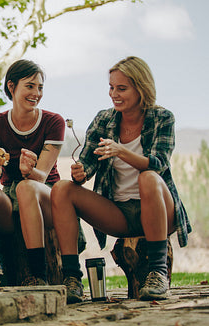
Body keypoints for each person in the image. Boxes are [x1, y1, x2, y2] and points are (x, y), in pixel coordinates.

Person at [51, 56, 191, 303]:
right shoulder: (104, 120)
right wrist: (81, 172)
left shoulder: (162, 118)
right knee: (62, 189)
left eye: (122, 88)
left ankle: (157, 273)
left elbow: (158, 163)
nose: (114, 94)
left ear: (141, 88)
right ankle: (72, 278)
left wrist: (121, 151)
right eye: (111, 87)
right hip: (119, 214)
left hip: (160, 212)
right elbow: (89, 161)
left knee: (147, 178)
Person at [0, 59, 65, 289]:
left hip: (47, 200)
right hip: (11, 203)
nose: (36, 93)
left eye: (40, 87)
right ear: (12, 87)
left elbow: (41, 176)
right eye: (30, 86)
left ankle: (38, 274)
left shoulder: (54, 122)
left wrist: (29, 172)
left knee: (26, 186)